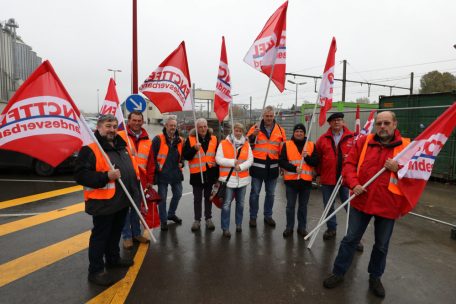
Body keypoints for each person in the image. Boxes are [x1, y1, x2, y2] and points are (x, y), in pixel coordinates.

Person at [323, 111, 410, 298]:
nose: (382, 127)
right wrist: (354, 184)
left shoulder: (405, 147)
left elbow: (414, 177)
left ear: (395, 124)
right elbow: (348, 165)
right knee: (350, 239)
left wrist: (399, 169)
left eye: (386, 123)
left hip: (388, 204)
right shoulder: (363, 142)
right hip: (361, 200)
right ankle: (338, 272)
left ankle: (375, 277)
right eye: (379, 123)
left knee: (381, 245)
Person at [74, 114, 139, 286]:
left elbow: (129, 171)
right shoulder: (91, 149)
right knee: (100, 237)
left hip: (121, 201)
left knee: (115, 233)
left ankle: (113, 259)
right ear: (99, 127)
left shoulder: (120, 146)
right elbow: (80, 175)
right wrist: (105, 176)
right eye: (108, 126)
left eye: (114, 126)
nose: (112, 129)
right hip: (103, 202)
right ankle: (95, 271)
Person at [315, 112, 357, 243]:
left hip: (346, 179)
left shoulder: (353, 138)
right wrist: (318, 174)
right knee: (328, 205)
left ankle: (354, 235)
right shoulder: (322, 139)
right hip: (328, 178)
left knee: (349, 207)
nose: (337, 122)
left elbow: (359, 157)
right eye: (334, 120)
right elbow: (318, 159)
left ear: (343, 122)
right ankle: (331, 228)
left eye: (339, 120)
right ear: (330, 123)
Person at [246, 105, 286, 228]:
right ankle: (253, 217)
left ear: (274, 116)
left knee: (270, 194)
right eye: (267, 116)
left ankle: (268, 216)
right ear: (263, 116)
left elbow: (283, 149)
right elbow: (246, 144)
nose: (269, 118)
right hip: (257, 166)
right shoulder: (255, 127)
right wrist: (253, 135)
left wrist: (283, 166)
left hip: (273, 167)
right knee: (255, 194)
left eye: (271, 116)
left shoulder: (280, 129)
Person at [119, 111, 154, 249]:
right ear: (129, 121)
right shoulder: (122, 136)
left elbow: (150, 161)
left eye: (139, 120)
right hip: (125, 178)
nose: (137, 123)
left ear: (143, 121)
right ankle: (127, 236)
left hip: (141, 180)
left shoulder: (147, 139)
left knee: (136, 209)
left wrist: (150, 179)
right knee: (124, 209)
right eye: (134, 120)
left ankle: (136, 233)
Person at [279, 123, 319, 238]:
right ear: (294, 132)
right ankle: (289, 227)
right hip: (291, 182)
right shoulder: (287, 144)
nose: (299, 133)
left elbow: (316, 161)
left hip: (305, 182)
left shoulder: (311, 145)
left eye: (301, 131)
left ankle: (302, 228)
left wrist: (307, 157)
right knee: (290, 206)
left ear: (304, 133)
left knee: (303, 207)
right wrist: (294, 168)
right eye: (297, 131)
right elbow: (281, 161)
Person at [216, 123, 253, 238]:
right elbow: (218, 159)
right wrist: (232, 162)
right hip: (228, 180)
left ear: (243, 132)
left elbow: (250, 160)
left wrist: (241, 167)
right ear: (232, 131)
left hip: (242, 180)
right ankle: (225, 228)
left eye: (240, 131)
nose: (238, 132)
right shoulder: (223, 143)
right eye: (236, 130)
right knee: (226, 205)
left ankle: (238, 224)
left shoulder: (246, 144)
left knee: (241, 204)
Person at [183, 118, 219, 232]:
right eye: (200, 127)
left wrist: (216, 163)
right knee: (197, 199)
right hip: (197, 175)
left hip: (210, 174)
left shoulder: (214, 138)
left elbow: (218, 154)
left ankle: (208, 219)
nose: (203, 129)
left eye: (205, 126)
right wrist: (194, 149)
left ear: (207, 127)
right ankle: (197, 220)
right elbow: (186, 156)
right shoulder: (191, 139)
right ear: (196, 128)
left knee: (209, 198)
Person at [152, 116, 184, 231]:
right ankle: (164, 220)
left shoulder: (180, 140)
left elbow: (182, 156)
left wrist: (182, 163)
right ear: (165, 126)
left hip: (175, 173)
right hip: (162, 174)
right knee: (163, 198)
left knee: (178, 194)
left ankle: (171, 214)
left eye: (174, 126)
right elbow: (152, 157)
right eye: (171, 125)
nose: (173, 128)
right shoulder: (158, 139)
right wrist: (156, 170)